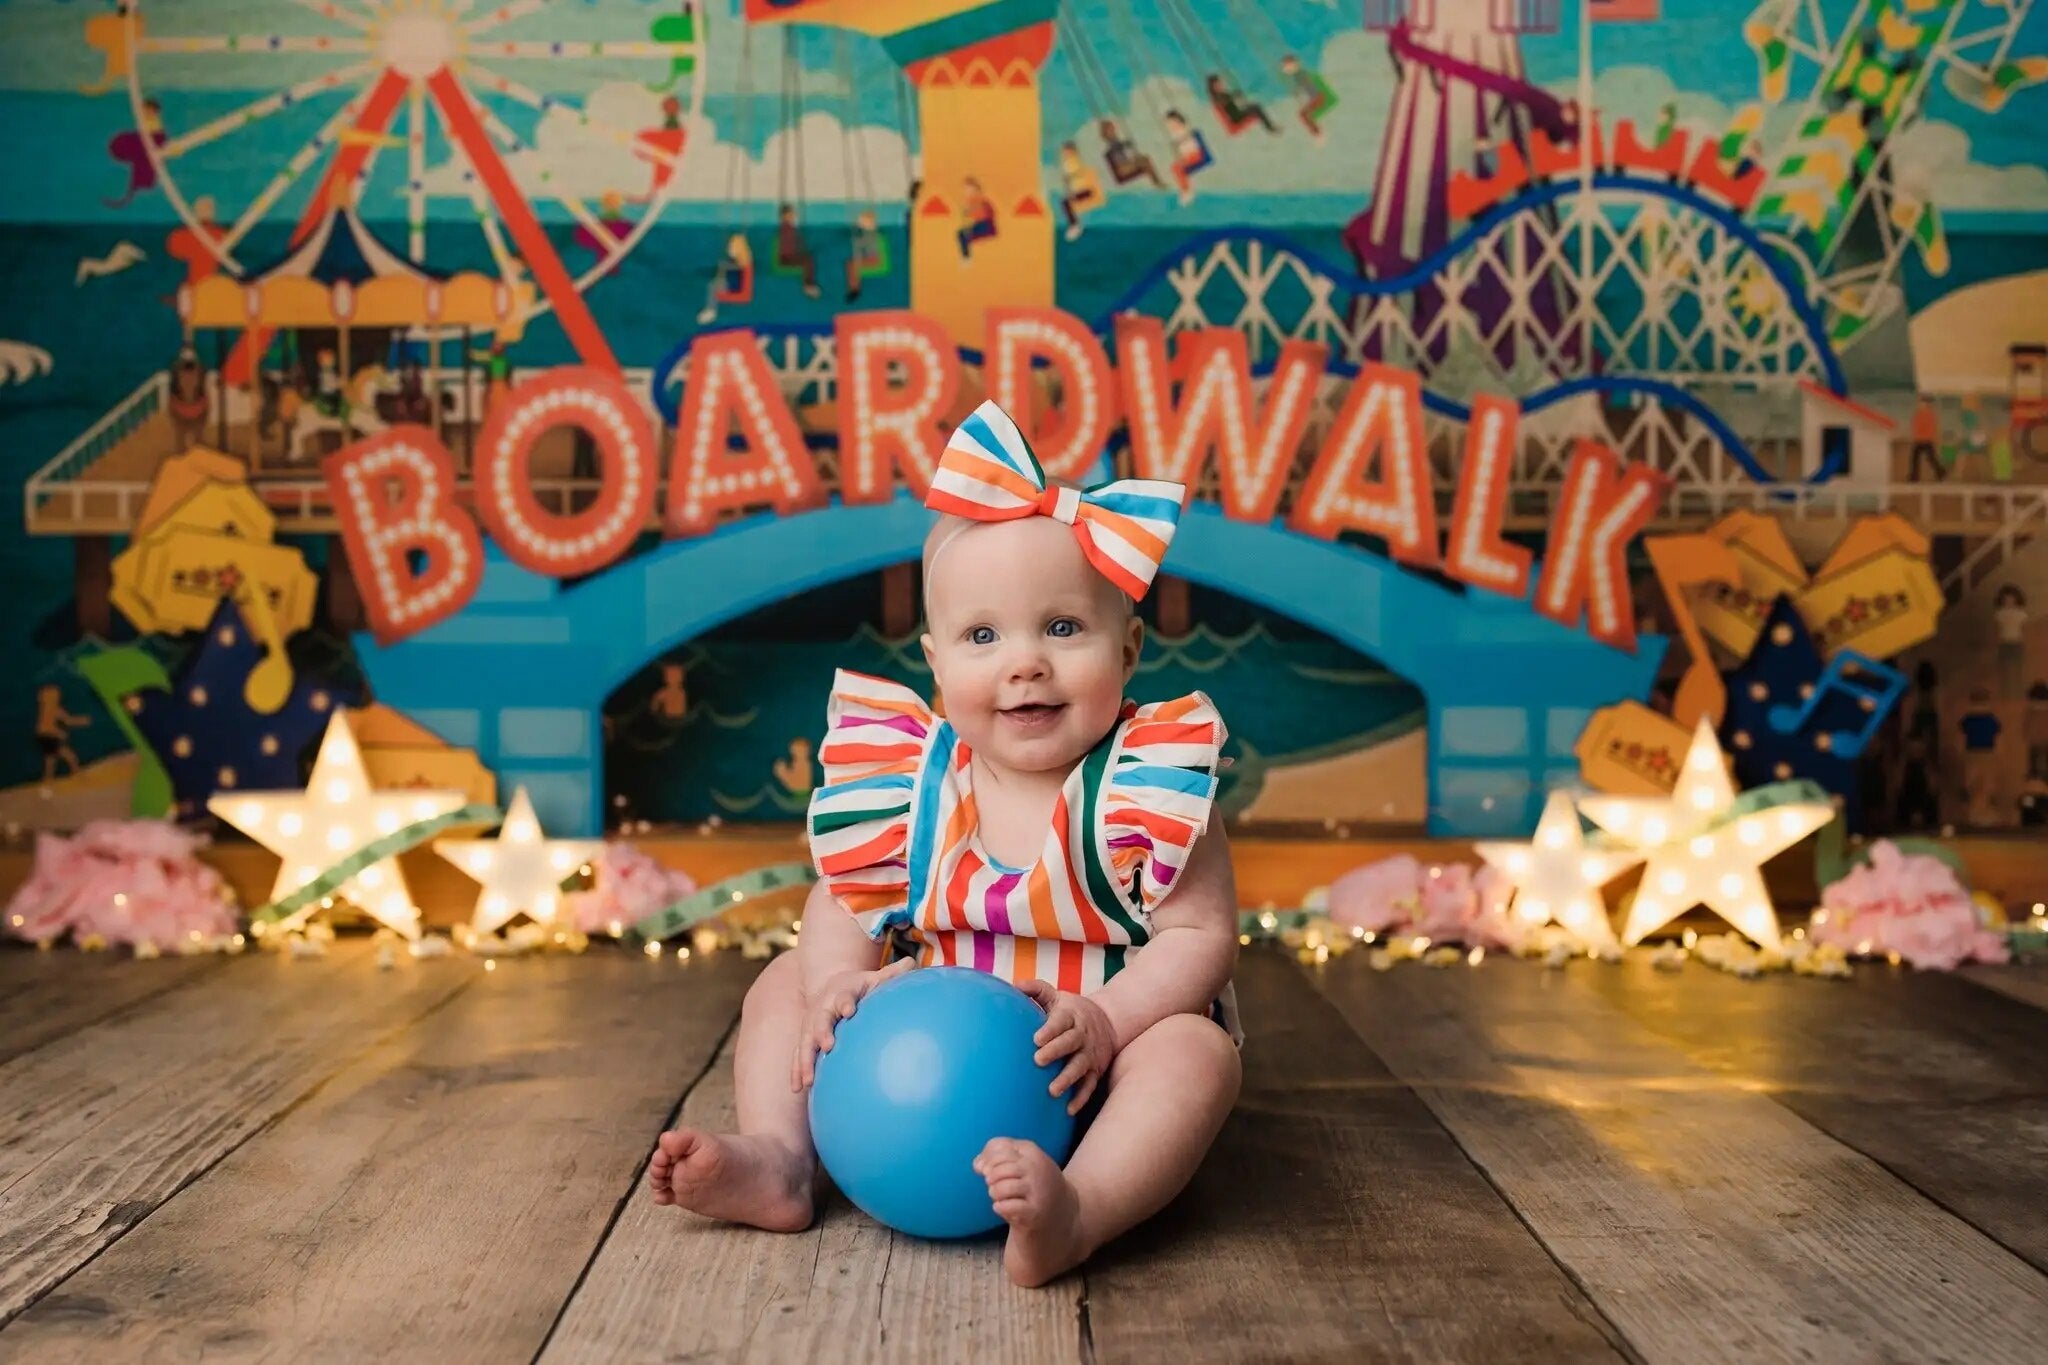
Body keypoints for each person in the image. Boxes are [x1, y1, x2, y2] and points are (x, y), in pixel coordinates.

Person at [645, 400, 1242, 1290]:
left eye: (1064, 628)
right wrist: (834, 984)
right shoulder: (914, 785)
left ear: (1130, 645)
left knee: (1198, 1056)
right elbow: (844, 901)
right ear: (934, 662)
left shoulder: (1145, 787)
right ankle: (783, 1157)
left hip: (1097, 1060)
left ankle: (1083, 1205)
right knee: (783, 979)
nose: (1025, 662)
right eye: (983, 635)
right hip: (920, 1062)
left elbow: (1202, 938)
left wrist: (1111, 1024)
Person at [1958, 686, 2002, 827]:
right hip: (1985, 753)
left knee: (1976, 783)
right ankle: (1980, 814)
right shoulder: (1990, 719)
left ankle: (1977, 814)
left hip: (1974, 753)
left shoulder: (1970, 719)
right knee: (1983, 784)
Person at [35, 685, 89, 783]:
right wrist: (83, 720)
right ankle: (77, 775)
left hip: (42, 737)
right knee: (69, 756)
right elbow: (68, 721)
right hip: (50, 737)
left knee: (50, 761)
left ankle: (47, 780)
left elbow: (45, 726)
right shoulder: (55, 709)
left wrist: (58, 732)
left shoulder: (44, 709)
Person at [1163, 110, 1213, 206]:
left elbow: (1188, 137)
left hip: (1197, 154)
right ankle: (1186, 190)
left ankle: (1187, 192)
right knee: (1176, 168)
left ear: (1177, 121)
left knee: (1178, 168)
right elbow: (1181, 150)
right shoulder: (1175, 134)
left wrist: (1179, 142)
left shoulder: (1184, 129)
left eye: (1171, 123)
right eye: (1168, 125)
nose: (1170, 127)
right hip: (1189, 156)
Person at [1280, 54, 1335, 139]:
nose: (1284, 69)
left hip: (1317, 98)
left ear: (1293, 65)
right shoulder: (1298, 75)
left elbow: (1308, 88)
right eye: (1284, 67)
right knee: (1303, 114)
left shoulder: (1300, 74)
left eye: (1286, 66)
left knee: (1303, 114)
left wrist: (1300, 95)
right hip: (1315, 97)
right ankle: (1317, 133)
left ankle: (1318, 134)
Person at [1098, 118, 1164, 189]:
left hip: (1126, 163)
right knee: (1144, 160)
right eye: (1110, 129)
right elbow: (1119, 156)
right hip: (1122, 168)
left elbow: (1125, 152)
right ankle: (1157, 182)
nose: (1113, 130)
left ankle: (1156, 182)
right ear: (1107, 132)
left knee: (1144, 159)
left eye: (1113, 128)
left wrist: (1128, 147)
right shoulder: (1112, 144)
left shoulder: (1117, 141)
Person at [1056, 142, 1103, 241]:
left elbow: (1079, 173)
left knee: (1065, 203)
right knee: (1065, 202)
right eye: (1064, 152)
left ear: (1072, 151)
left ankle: (1075, 226)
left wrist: (1069, 178)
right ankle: (1074, 225)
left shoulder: (1075, 161)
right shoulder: (1067, 164)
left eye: (1066, 152)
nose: (1064, 154)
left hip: (1086, 190)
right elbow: (1069, 182)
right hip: (1079, 190)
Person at [775, 203, 821, 298]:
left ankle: (809, 283)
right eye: (790, 214)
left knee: (808, 257)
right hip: (785, 258)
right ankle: (808, 285)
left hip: (789, 256)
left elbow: (797, 242)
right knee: (807, 260)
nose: (793, 216)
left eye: (793, 214)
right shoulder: (785, 227)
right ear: (784, 216)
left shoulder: (790, 227)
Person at [1205, 73, 1276, 135]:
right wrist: (1234, 95)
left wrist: (1236, 94)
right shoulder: (1216, 98)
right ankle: (1270, 127)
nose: (1220, 86)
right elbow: (1225, 100)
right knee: (1256, 107)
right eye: (1217, 85)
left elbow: (1230, 98)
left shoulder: (1223, 94)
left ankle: (1269, 126)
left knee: (1254, 106)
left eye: (1220, 84)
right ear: (1212, 87)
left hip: (1237, 114)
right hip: (1235, 119)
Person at [1993, 585, 2028, 700]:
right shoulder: (1999, 614)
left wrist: (2025, 644)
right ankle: (2004, 693)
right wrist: (1996, 645)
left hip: (2017, 642)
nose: (2009, 602)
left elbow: (2024, 630)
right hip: (2004, 643)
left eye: (2011, 599)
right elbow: (1997, 631)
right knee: (2004, 669)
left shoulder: (2022, 614)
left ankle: (2018, 693)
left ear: (2016, 599)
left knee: (2018, 669)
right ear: (2002, 600)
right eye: (2006, 599)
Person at [843, 209, 885, 302]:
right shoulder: (869, 233)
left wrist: (857, 241)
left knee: (851, 264)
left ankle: (854, 288)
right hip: (870, 257)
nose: (859, 223)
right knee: (851, 264)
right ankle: (854, 287)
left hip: (874, 259)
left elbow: (867, 246)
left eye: (861, 221)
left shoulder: (871, 234)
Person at [957, 176, 998, 259]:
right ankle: (966, 257)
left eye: (969, 189)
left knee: (962, 234)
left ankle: (966, 258)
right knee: (962, 234)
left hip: (985, 225)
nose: (967, 192)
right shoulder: (971, 201)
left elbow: (989, 213)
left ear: (976, 189)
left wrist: (969, 212)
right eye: (966, 189)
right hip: (980, 225)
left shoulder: (980, 200)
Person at [1909, 393, 1944, 482]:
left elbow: (1931, 428)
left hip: (1925, 439)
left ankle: (1940, 473)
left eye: (1922, 402)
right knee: (1920, 458)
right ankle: (1914, 477)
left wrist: (1933, 437)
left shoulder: (1928, 414)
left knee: (1928, 458)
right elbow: (1915, 426)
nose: (1920, 404)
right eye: (1920, 402)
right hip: (1920, 439)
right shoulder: (1920, 413)